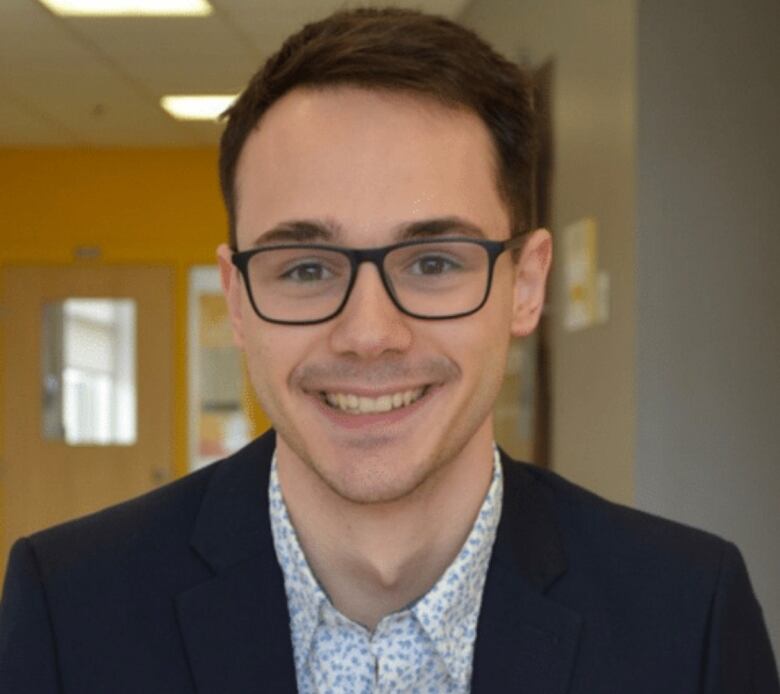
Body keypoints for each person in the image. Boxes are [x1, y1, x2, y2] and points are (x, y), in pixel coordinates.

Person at [1, 7, 777, 693]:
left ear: (527, 284)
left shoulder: (688, 617)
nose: (369, 334)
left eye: (434, 261)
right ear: (237, 299)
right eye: (305, 268)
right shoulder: (71, 609)